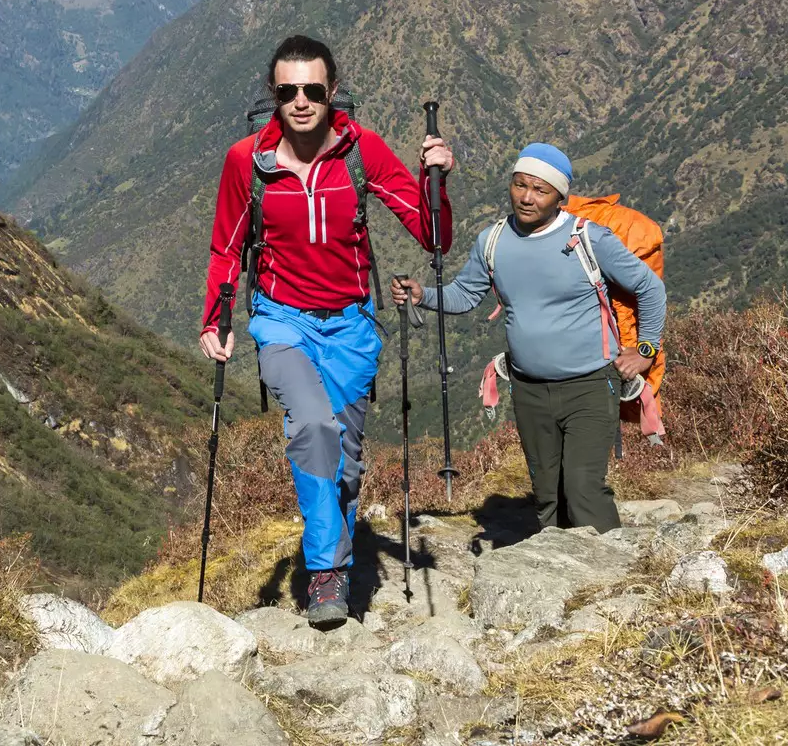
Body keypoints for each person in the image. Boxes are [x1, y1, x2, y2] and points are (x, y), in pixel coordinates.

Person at [201, 34, 451, 626]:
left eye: (313, 89)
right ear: (274, 94)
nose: (301, 101)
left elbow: (433, 236)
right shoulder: (248, 162)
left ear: (332, 90)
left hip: (351, 329)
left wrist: (435, 180)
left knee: (345, 466)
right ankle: (326, 575)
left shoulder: (361, 152)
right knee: (313, 427)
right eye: (288, 91)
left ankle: (334, 547)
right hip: (281, 320)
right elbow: (226, 248)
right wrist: (216, 320)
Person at [391, 142, 665, 534]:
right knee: (547, 493)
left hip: (590, 383)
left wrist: (645, 350)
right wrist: (425, 296)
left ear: (559, 197)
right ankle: (562, 585)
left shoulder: (589, 239)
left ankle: (608, 578)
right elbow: (465, 295)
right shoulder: (493, 241)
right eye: (520, 185)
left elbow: (650, 289)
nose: (526, 197)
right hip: (529, 388)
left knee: (584, 488)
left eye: (540, 190)